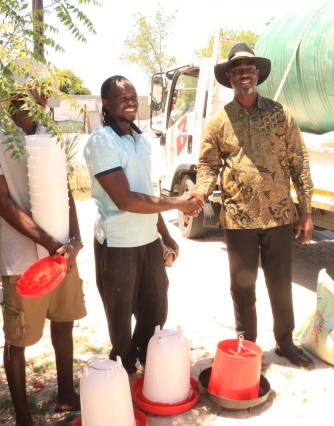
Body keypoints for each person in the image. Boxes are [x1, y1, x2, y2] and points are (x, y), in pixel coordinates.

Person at [0, 69, 85, 425]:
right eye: (28, 91)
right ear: (9, 94)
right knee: (18, 338)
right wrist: (51, 243)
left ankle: (66, 394)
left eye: (42, 92)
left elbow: (65, 191)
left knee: (64, 322)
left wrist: (74, 239)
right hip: (23, 259)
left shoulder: (47, 135)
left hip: (62, 252)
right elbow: (2, 202)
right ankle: (23, 414)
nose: (38, 98)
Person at [195, 43, 315, 368]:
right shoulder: (220, 122)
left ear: (257, 73)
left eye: (249, 67)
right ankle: (246, 346)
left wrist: (306, 210)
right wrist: (198, 196)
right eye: (237, 69)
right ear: (229, 77)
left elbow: (298, 161)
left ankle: (286, 342)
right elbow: (207, 166)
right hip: (238, 219)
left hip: (278, 216)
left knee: (280, 285)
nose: (244, 73)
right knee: (242, 287)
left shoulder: (280, 114)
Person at [83, 76, 203, 378]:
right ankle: (122, 369)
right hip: (118, 243)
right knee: (120, 316)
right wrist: (178, 202)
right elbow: (126, 200)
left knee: (156, 310)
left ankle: (134, 358)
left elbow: (144, 193)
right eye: (121, 96)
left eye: (134, 95)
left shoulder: (140, 140)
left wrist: (165, 234)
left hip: (147, 240)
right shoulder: (102, 142)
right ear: (106, 103)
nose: (130, 100)